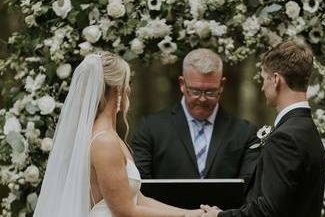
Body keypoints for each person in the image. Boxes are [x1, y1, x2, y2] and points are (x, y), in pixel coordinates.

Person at [33, 52, 203, 217]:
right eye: (127, 83)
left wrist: (191, 213)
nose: (129, 89)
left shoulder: (108, 135)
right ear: (118, 90)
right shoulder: (104, 141)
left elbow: (138, 200)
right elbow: (125, 211)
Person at [201, 40, 325, 217]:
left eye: (263, 79)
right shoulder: (306, 129)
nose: (262, 87)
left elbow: (268, 210)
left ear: (275, 79)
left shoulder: (286, 138)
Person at [131, 48, 259, 181]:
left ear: (221, 85)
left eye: (210, 92)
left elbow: (248, 187)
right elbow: (141, 184)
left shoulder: (245, 133)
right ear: (182, 84)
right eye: (195, 91)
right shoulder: (150, 128)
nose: (202, 99)